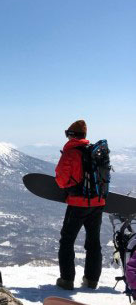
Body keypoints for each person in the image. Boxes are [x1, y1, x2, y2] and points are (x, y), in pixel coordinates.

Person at [55, 120, 105, 290]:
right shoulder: (93, 152)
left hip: (78, 204)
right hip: (98, 203)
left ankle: (67, 280)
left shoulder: (71, 153)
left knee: (67, 240)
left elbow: (61, 180)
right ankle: (92, 280)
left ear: (72, 135)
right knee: (93, 242)